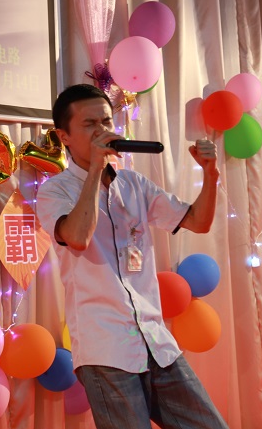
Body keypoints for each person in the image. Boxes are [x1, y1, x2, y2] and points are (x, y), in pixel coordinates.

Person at [36, 83, 228, 429]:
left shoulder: (134, 184)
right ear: (64, 137)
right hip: (105, 348)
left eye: (106, 121)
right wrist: (95, 170)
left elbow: (198, 222)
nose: (102, 131)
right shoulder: (55, 191)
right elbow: (77, 237)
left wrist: (210, 174)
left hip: (156, 341)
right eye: (89, 124)